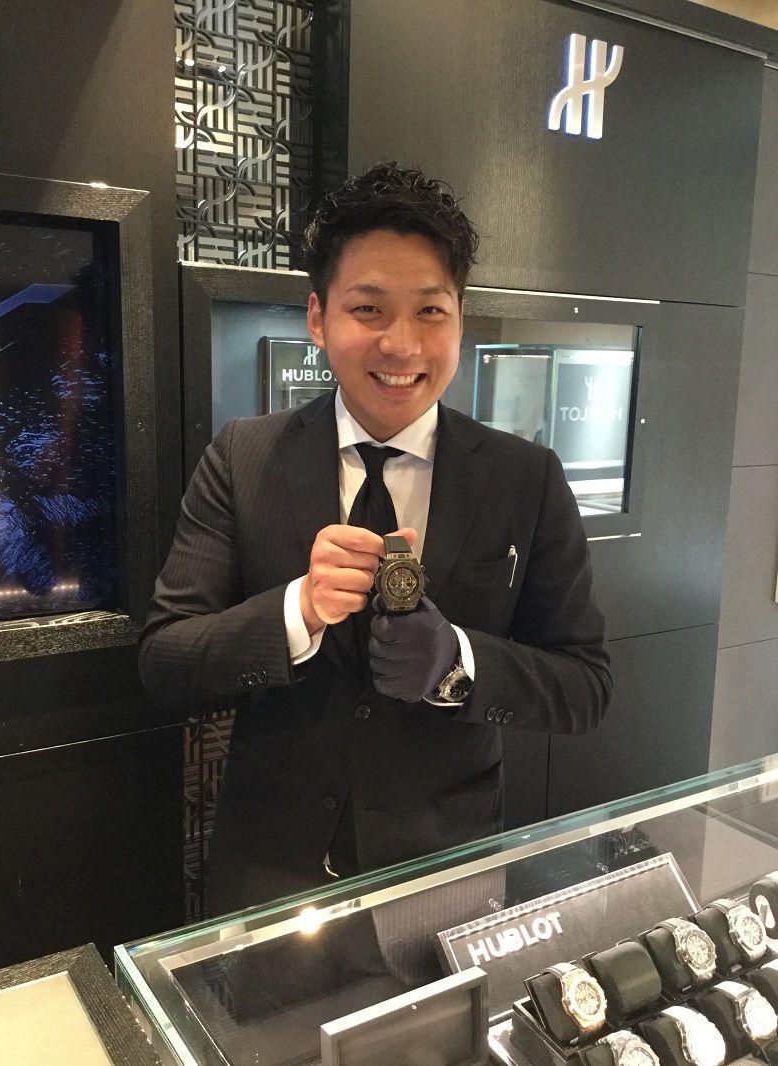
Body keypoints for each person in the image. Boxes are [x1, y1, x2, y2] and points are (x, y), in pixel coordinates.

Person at [139, 162, 612, 916]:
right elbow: (164, 660)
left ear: (460, 318)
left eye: (430, 311)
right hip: (272, 874)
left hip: (443, 876)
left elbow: (585, 687)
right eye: (368, 308)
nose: (401, 344)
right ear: (318, 318)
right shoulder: (243, 457)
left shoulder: (526, 478)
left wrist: (457, 661)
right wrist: (297, 611)